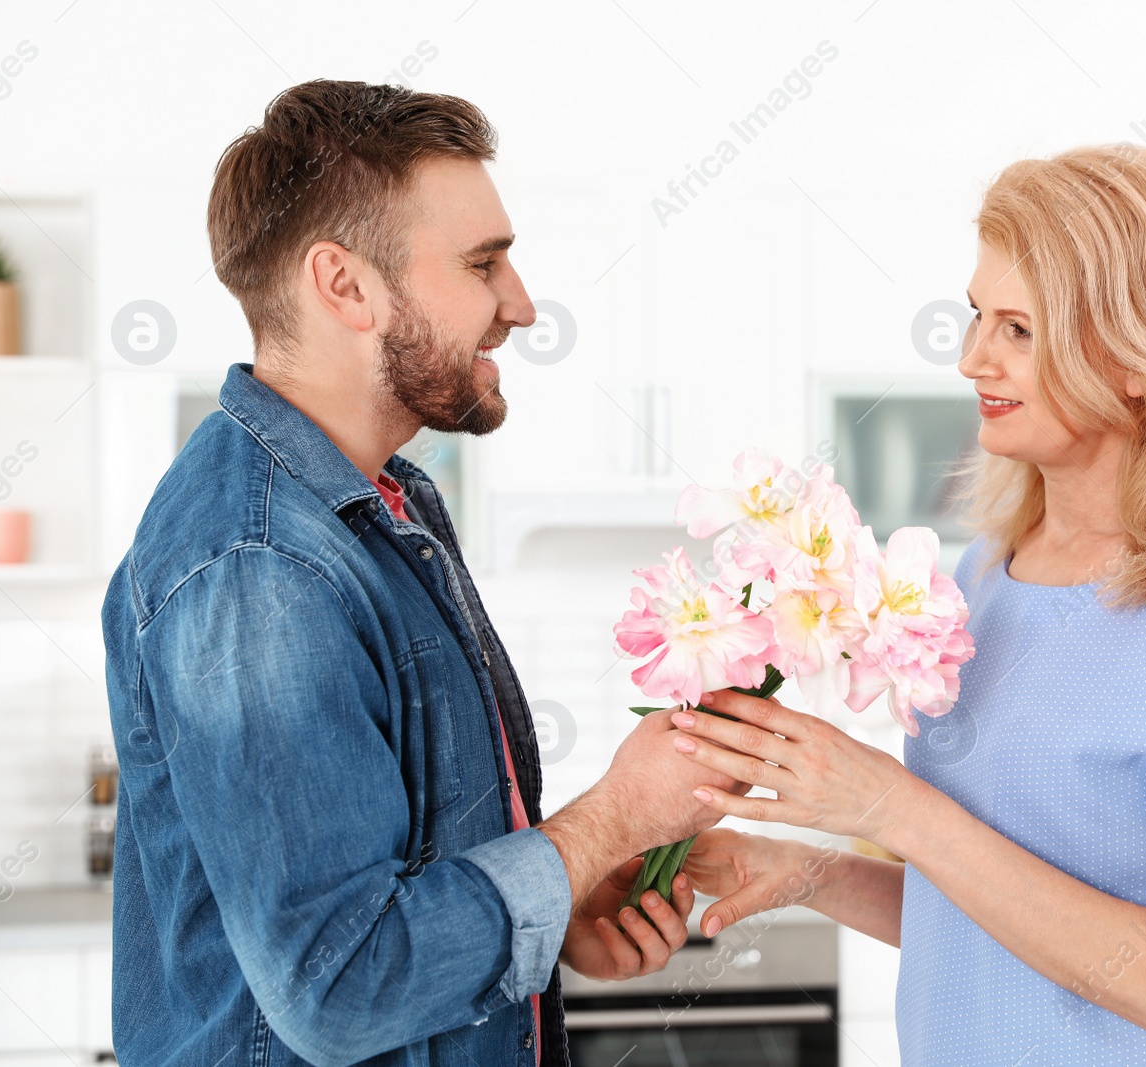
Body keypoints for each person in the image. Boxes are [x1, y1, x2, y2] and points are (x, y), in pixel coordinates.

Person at [101, 80, 737, 1067]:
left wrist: (556, 895)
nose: (519, 306)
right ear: (344, 284)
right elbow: (339, 984)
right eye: (483, 264)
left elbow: (399, 883)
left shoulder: (384, 508)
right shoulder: (258, 566)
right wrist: (604, 823)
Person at [674, 144, 1146, 1063]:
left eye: (1018, 329)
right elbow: (990, 915)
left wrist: (892, 806)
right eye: (978, 315)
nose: (970, 357)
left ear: (1139, 355)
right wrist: (805, 870)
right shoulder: (988, 573)